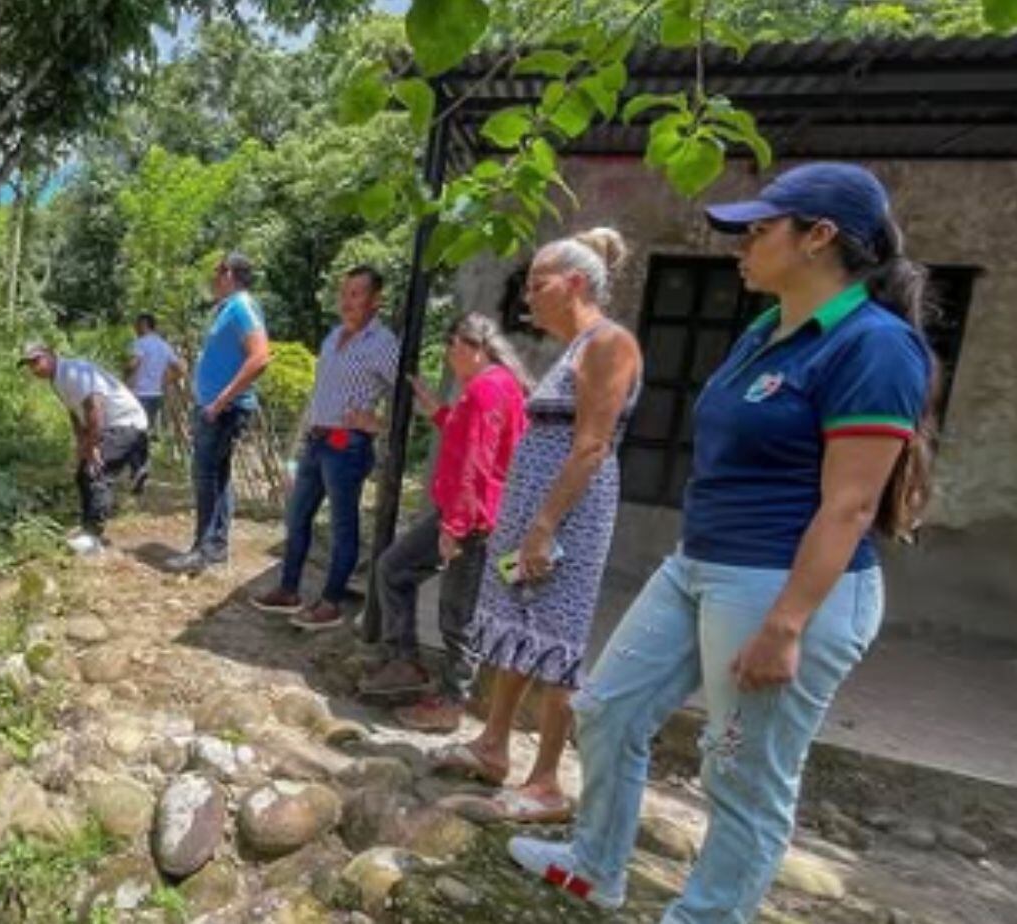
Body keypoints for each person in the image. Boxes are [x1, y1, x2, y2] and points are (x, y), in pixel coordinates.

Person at [508, 164, 934, 920]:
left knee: (741, 772)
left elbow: (851, 503)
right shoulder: (765, 331)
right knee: (606, 709)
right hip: (700, 564)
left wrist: (788, 623)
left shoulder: (875, 345)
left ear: (819, 238)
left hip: (785, 585)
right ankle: (595, 864)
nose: (741, 242)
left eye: (761, 228)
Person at [432, 227, 643, 824]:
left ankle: (547, 779)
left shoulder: (610, 344)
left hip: (566, 519)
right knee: (515, 627)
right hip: (532, 514)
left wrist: (545, 525)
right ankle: (493, 746)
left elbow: (591, 447)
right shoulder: (572, 351)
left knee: (556, 638)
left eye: (537, 282)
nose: (527, 295)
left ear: (575, 284)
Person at [357, 313, 532, 733]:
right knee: (394, 568)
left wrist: (455, 527)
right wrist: (439, 412)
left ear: (470, 345)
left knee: (458, 613)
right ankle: (406, 662)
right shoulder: (494, 386)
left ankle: (452, 701)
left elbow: (477, 461)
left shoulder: (488, 389)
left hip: (472, 519)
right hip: (464, 512)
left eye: (452, 344)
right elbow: (469, 439)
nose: (449, 354)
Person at [249, 266, 399, 629]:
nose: (346, 301)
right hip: (317, 443)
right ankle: (288, 590)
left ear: (375, 300)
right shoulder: (333, 337)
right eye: (343, 293)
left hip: (347, 447)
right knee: (296, 517)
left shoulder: (383, 344)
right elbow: (319, 395)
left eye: (356, 294)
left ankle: (330, 603)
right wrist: (297, 447)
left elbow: (410, 394)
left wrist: (378, 424)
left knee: (342, 527)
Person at [169, 252, 271, 575]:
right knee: (218, 476)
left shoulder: (241, 306)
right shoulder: (228, 309)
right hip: (216, 408)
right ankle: (214, 549)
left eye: (216, 272)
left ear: (228, 273)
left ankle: (203, 550)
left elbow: (260, 357)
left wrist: (221, 400)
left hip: (223, 410)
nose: (213, 279)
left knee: (206, 477)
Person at [20, 343, 149, 556]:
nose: (34, 369)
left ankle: (93, 538)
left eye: (37, 361)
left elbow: (94, 407)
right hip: (112, 425)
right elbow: (76, 413)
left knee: (96, 472)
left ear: (51, 355)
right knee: (82, 474)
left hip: (126, 422)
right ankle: (87, 529)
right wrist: (81, 444)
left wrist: (93, 446)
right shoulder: (57, 379)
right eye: (29, 365)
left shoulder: (73, 372)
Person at [124, 313, 185, 436]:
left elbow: (133, 365)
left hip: (139, 394)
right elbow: (180, 369)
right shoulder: (164, 345)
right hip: (156, 395)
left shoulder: (140, 343)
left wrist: (123, 373)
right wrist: (164, 381)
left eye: (136, 325)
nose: (135, 329)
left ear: (144, 325)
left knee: (134, 433)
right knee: (146, 431)